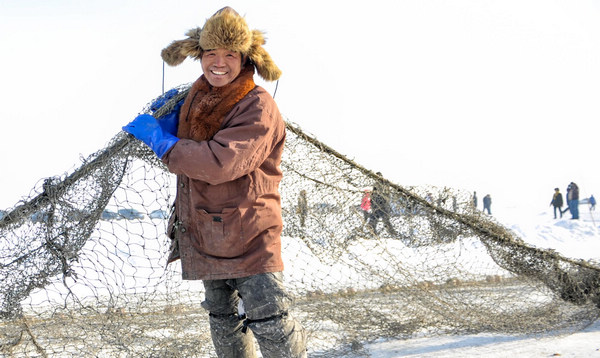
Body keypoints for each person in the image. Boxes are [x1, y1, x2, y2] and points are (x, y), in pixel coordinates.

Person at [122, 7, 306, 358]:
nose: (218, 63)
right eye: (211, 54)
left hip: (251, 236)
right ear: (200, 55)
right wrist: (175, 126)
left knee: (270, 320)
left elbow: (223, 162)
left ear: (245, 58)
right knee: (223, 320)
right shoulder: (198, 98)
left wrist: (167, 143)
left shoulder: (257, 105)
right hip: (208, 230)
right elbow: (193, 160)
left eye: (229, 55)